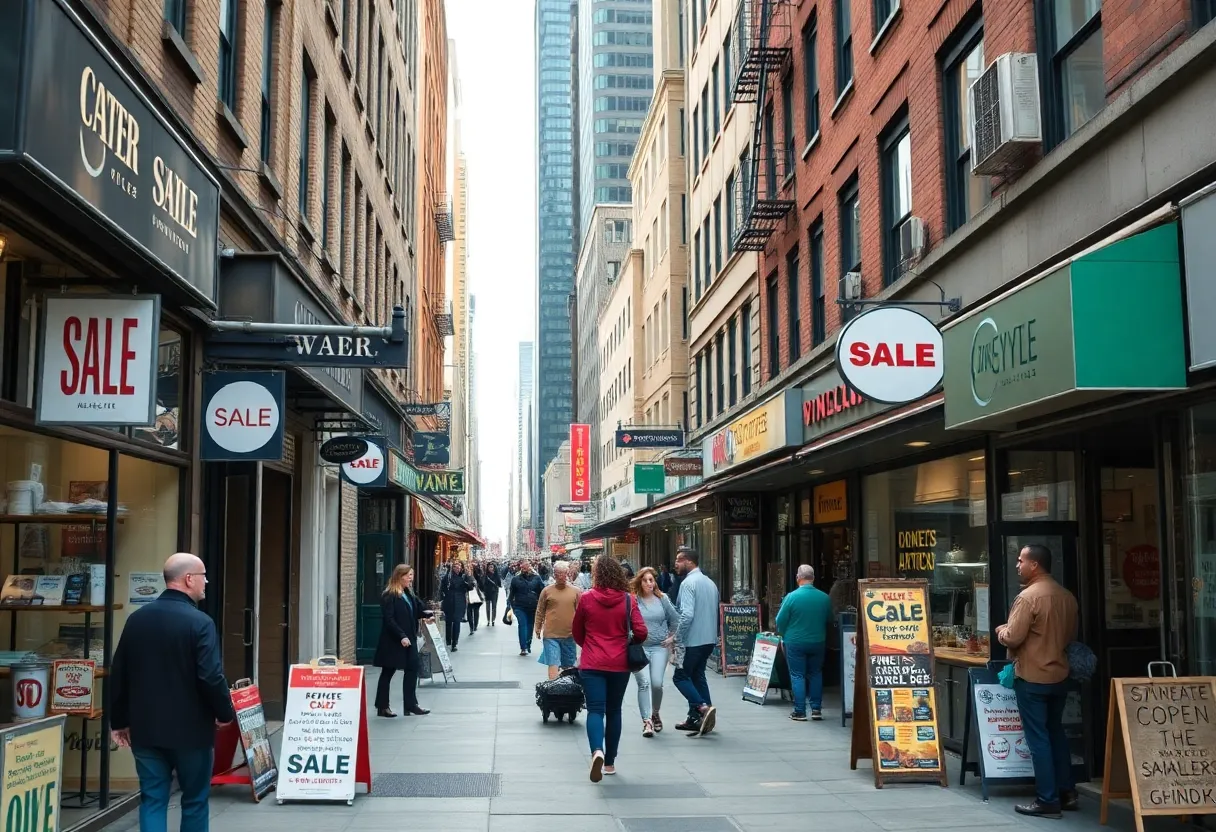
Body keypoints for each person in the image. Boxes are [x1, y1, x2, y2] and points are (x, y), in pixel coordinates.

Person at [110, 553, 235, 832]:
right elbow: (210, 676)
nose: (206, 582)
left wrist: (118, 721)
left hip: (146, 730)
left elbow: (119, 673)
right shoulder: (200, 623)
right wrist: (224, 713)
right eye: (203, 576)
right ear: (189, 579)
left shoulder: (137, 620)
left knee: (153, 799)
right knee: (195, 800)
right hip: (191, 731)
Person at [997, 544, 1079, 819]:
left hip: (1032, 678)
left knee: (1039, 740)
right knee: (1056, 734)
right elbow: (1070, 635)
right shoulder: (1066, 596)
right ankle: (1067, 792)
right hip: (1059, 675)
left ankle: (1047, 799)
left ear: (1035, 565)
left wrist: (1001, 631)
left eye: (1021, 561)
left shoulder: (1028, 597)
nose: (1017, 565)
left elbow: (1014, 637)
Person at [572, 556, 647, 782]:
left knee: (595, 710)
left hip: (593, 662)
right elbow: (642, 632)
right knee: (614, 710)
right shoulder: (628, 600)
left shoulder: (586, 598)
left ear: (597, 574)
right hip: (619, 663)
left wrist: (590, 645)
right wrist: (627, 640)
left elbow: (577, 631)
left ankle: (597, 751)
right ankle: (611, 762)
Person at [373, 564, 435, 717]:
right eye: (408, 576)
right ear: (399, 577)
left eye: (412, 575)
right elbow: (389, 620)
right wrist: (402, 636)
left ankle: (411, 704)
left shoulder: (409, 593)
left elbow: (419, 609)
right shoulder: (389, 595)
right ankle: (382, 706)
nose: (411, 579)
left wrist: (428, 615)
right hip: (393, 640)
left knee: (412, 669)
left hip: (410, 639)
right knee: (388, 671)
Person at [775, 564, 833, 721]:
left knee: (797, 675)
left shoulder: (791, 597)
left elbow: (780, 620)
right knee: (815, 673)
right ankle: (816, 709)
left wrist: (783, 635)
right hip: (817, 641)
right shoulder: (824, 598)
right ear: (813, 578)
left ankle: (800, 711)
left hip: (794, 642)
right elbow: (830, 619)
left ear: (797, 578)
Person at [672, 546, 719, 735]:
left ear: (689, 562)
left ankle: (702, 707)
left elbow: (687, 614)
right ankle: (698, 718)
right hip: (708, 639)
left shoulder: (688, 583)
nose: (676, 564)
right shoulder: (710, 583)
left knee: (680, 677)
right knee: (698, 675)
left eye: (679, 560)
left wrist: (677, 636)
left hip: (693, 640)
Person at [630, 567, 679, 737]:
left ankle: (655, 712)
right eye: (645, 580)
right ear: (639, 582)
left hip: (659, 647)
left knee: (657, 684)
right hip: (639, 648)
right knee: (643, 683)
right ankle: (647, 721)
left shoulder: (662, 598)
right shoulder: (633, 600)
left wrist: (671, 637)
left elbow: (675, 619)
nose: (649, 583)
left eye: (651, 580)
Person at [535, 560, 582, 679]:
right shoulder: (546, 591)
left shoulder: (576, 591)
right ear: (554, 574)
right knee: (553, 664)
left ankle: (567, 690)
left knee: (568, 667)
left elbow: (581, 613)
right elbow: (540, 610)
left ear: (567, 574)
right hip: (551, 635)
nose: (560, 576)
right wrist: (537, 627)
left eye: (563, 573)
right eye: (557, 573)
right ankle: (553, 690)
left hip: (569, 635)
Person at [507, 559, 546, 656]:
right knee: (522, 625)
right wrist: (512, 606)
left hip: (533, 607)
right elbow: (511, 594)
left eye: (527, 565)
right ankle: (523, 647)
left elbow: (543, 591)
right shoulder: (516, 579)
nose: (526, 568)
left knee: (529, 627)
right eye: (524, 566)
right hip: (520, 607)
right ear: (521, 567)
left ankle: (528, 645)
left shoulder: (536, 578)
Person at [440, 559, 476, 652]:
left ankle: (454, 642)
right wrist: (443, 598)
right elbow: (442, 588)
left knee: (457, 622)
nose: (458, 568)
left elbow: (471, 587)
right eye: (456, 566)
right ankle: (448, 640)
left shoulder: (464, 577)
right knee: (448, 622)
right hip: (449, 601)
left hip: (460, 602)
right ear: (452, 567)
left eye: (459, 566)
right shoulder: (447, 577)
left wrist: (470, 576)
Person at [467, 563, 487, 635]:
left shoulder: (476, 576)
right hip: (468, 597)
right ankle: (471, 627)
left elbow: (481, 584)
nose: (468, 571)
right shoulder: (464, 577)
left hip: (476, 596)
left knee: (475, 611)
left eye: (469, 569)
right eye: (467, 569)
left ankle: (475, 625)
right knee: (469, 613)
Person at [481, 561, 502, 625]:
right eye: (489, 567)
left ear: (494, 568)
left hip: (494, 592)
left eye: (492, 567)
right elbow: (482, 583)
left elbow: (499, 583)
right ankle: (488, 620)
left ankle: (493, 620)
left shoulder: (496, 575)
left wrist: (496, 582)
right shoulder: (485, 575)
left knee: (494, 606)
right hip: (487, 592)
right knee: (487, 607)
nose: (490, 568)